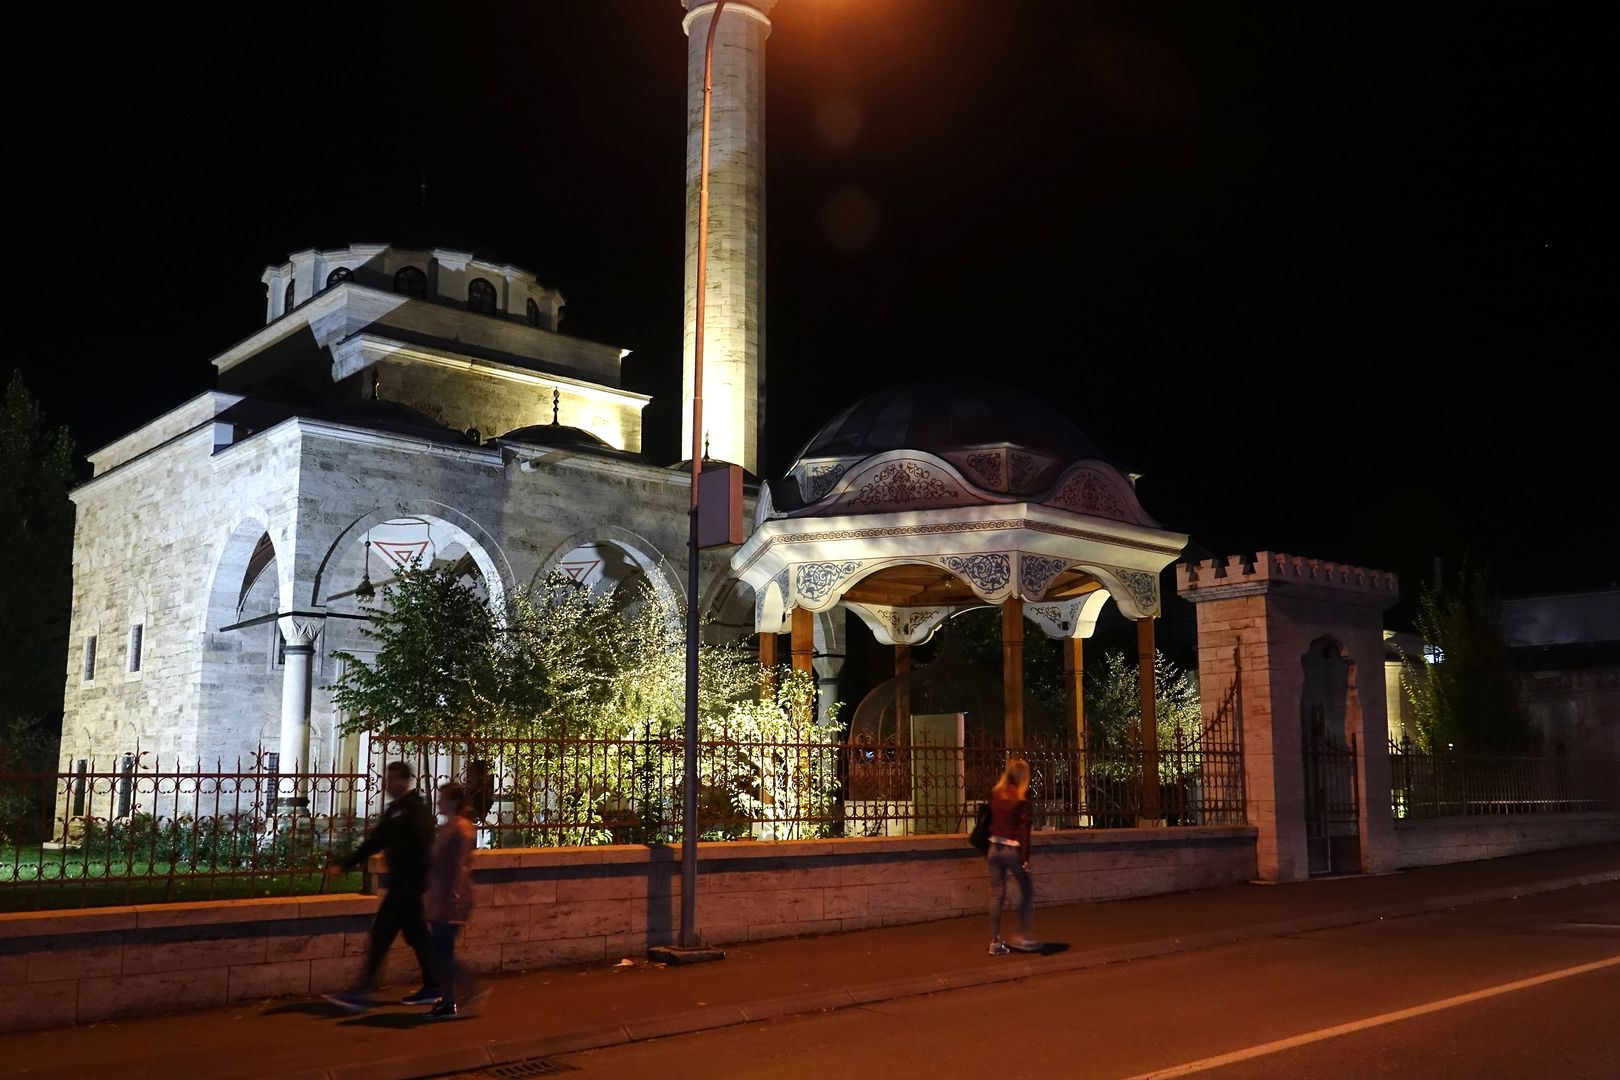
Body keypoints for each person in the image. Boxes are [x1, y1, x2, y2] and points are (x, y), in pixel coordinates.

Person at [323, 760, 438, 1011]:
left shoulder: (413, 810)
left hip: (406, 885)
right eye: (387, 778)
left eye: (392, 779)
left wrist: (415, 878)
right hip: (405, 884)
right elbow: (375, 842)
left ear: (404, 781)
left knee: (382, 934)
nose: (388, 784)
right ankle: (436, 984)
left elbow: (422, 846)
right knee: (417, 936)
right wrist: (346, 864)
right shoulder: (397, 809)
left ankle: (362, 992)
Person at [422, 781, 481, 1019]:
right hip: (440, 895)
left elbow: (458, 866)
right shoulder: (449, 827)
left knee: (441, 951)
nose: (439, 802)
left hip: (451, 898)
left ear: (454, 802)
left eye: (443, 798)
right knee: (441, 950)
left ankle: (463, 993)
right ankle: (450, 999)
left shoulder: (461, 829)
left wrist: (453, 899)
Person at [985, 756, 1041, 956]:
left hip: (993, 848)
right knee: (1027, 890)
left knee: (997, 894)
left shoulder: (996, 793)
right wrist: (1025, 859)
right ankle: (1023, 936)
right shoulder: (1021, 796)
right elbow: (1024, 830)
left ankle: (995, 941)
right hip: (1012, 849)